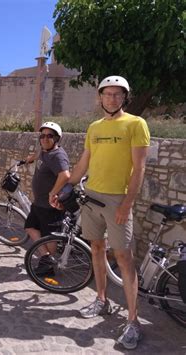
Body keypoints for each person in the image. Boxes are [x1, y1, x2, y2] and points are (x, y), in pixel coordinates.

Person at [67, 76, 150, 350]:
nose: (112, 99)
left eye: (117, 94)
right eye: (107, 94)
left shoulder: (136, 124)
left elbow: (139, 169)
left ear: (124, 97)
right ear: (100, 97)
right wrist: (65, 187)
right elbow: (84, 162)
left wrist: (126, 204)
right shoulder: (94, 127)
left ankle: (133, 320)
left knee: (124, 258)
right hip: (91, 196)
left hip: (117, 200)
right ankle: (102, 300)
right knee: (97, 249)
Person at [24, 122, 70, 275]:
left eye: (49, 136)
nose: (44, 139)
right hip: (39, 203)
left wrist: (53, 193)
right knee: (30, 227)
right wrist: (28, 159)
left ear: (57, 138)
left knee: (50, 237)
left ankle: (49, 267)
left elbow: (65, 175)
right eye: (42, 136)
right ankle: (46, 258)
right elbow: (38, 154)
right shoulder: (45, 151)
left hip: (50, 206)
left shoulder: (58, 156)